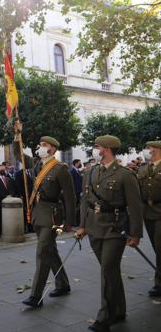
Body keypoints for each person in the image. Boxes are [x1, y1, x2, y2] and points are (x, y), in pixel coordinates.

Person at [77, 135, 143, 332]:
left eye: (96, 147)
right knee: (111, 272)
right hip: (95, 227)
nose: (94, 150)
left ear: (105, 149)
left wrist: (136, 234)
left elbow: (135, 206)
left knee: (107, 270)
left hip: (115, 228)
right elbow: (85, 202)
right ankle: (119, 310)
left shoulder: (125, 175)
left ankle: (105, 316)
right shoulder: (90, 172)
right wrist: (82, 226)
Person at [13, 121, 76, 308]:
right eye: (40, 145)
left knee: (42, 252)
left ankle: (36, 295)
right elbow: (18, 154)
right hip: (38, 213)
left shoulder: (60, 168)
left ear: (53, 149)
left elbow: (71, 197)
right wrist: (18, 134)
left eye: (44, 145)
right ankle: (63, 284)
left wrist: (70, 222)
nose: (40, 147)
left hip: (53, 216)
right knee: (50, 250)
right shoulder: (37, 164)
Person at [137, 141, 161, 298]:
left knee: (160, 247)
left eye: (150, 148)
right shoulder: (143, 168)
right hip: (147, 212)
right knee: (156, 247)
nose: (147, 151)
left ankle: (159, 283)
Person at [0, 164, 15, 239]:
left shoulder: (8, 179)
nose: (3, 171)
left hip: (9, 201)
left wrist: (10, 195)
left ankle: (8, 231)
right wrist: (5, 196)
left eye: (4, 169)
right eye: (1, 170)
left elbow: (12, 188)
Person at [71, 159, 83, 226]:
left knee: (79, 208)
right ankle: (75, 222)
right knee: (76, 208)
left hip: (79, 192)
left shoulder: (78, 171)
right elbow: (72, 183)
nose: (80, 164)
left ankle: (78, 221)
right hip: (75, 192)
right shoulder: (72, 172)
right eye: (79, 163)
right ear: (75, 163)